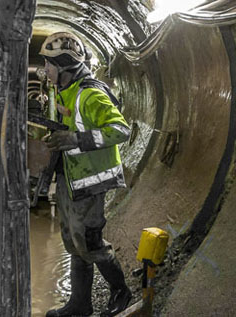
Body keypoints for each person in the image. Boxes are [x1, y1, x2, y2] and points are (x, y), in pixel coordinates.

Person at [40, 31, 132, 317]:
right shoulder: (63, 90)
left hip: (92, 181)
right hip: (70, 179)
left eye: (49, 65)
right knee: (74, 241)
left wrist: (76, 140)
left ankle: (121, 291)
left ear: (66, 67)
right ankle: (80, 305)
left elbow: (121, 130)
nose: (45, 71)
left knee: (90, 242)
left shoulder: (91, 94)